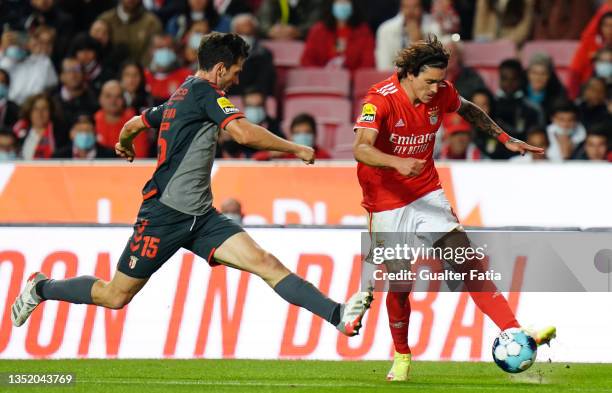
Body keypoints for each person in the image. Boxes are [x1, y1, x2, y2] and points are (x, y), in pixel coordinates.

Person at [12, 33, 373, 344]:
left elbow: (138, 121)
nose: (236, 78)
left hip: (202, 217)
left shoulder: (181, 94)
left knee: (264, 263)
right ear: (219, 69)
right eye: (235, 71)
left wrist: (124, 141)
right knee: (114, 295)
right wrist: (295, 148)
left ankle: (337, 315)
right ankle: (41, 287)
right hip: (163, 215)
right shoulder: (204, 92)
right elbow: (244, 134)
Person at [352, 35, 555, 381]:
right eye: (429, 81)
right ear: (409, 74)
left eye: (440, 80)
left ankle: (514, 331)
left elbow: (469, 110)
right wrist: (396, 163)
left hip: (426, 192)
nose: (436, 89)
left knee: (469, 265)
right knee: (400, 281)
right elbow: (360, 148)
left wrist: (506, 139)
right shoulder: (380, 100)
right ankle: (402, 355)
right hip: (385, 201)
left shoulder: (442, 92)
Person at [300, 0, 375, 72]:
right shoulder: (318, 31)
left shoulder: (364, 31)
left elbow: (368, 64)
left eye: (346, 2)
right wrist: (324, 76)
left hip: (352, 83)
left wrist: (346, 77)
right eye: (339, 2)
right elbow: (306, 61)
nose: (342, 5)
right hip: (320, 82)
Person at [375, 0, 442, 71]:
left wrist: (419, 42)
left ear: (422, 8)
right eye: (406, 7)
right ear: (401, 8)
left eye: (415, 7)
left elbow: (437, 65)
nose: (410, 12)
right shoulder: (385, 30)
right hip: (394, 78)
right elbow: (383, 67)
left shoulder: (435, 27)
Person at [94, 80, 150, 158]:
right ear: (100, 99)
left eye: (118, 96)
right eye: (108, 96)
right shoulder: (93, 120)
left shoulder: (136, 123)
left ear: (124, 100)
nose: (113, 101)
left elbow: (140, 157)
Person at [97, 0, 163, 65]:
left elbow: (153, 53)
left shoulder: (151, 23)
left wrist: (137, 71)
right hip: (109, 71)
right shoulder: (105, 20)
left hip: (142, 72)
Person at [227, 13, 275, 96]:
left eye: (248, 33)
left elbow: (265, 81)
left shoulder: (264, 54)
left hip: (256, 98)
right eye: (240, 32)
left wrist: (253, 94)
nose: (244, 37)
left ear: (254, 32)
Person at [52, 57, 99, 138]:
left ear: (83, 74)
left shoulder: (95, 98)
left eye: (77, 70)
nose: (73, 75)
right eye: (68, 70)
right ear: (61, 76)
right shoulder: (52, 101)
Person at [252, 113, 331, 160]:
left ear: (315, 134)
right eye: (298, 133)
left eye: (307, 132)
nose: (302, 136)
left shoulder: (323, 156)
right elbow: (256, 158)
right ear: (291, 136)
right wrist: (272, 154)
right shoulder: (285, 153)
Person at [144, 34, 192, 104]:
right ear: (151, 50)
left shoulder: (187, 77)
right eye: (160, 47)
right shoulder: (143, 77)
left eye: (169, 47)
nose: (165, 51)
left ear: (174, 50)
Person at [13, 93, 62, 159]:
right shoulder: (18, 131)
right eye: (35, 109)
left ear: (51, 112)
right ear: (29, 112)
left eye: (44, 109)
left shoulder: (60, 134)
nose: (39, 113)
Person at [523, 53, 567, 122]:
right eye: (534, 73)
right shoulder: (519, 92)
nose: (538, 78)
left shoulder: (558, 96)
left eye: (543, 74)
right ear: (528, 74)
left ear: (549, 76)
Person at [52, 115, 116, 159]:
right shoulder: (59, 157)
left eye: (88, 130)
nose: (84, 134)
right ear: (71, 134)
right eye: (80, 130)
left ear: (95, 133)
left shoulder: (110, 156)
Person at [258, 0, 324, 40]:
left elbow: (317, 23)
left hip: (305, 44)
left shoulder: (317, 2)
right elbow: (263, 20)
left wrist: (298, 31)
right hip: (275, 46)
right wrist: (271, 30)